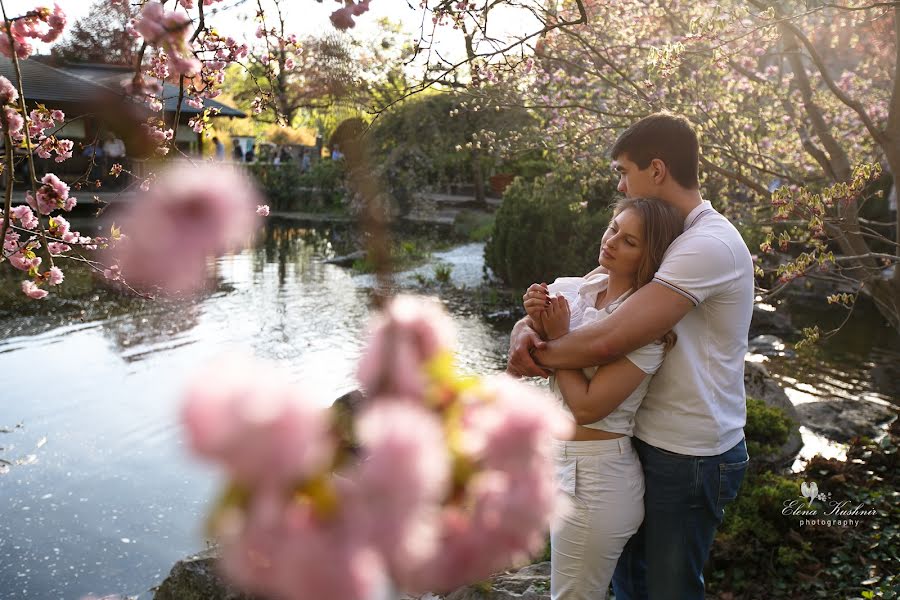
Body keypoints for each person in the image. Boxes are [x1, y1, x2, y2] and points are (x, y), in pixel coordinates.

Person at [508, 112, 754, 600]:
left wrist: (540, 348)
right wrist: (522, 331)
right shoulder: (657, 234)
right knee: (632, 589)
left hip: (689, 451)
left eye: (624, 171)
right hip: (638, 441)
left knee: (666, 591)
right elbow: (581, 301)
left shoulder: (707, 243)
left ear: (656, 169)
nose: (620, 184)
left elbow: (606, 340)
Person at [525, 196, 682, 600]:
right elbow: (524, 354)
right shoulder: (578, 290)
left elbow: (588, 408)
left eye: (629, 241)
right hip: (566, 466)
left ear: (650, 258)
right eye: (614, 228)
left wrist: (557, 338)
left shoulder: (644, 329)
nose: (611, 241)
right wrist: (530, 318)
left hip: (597, 483)